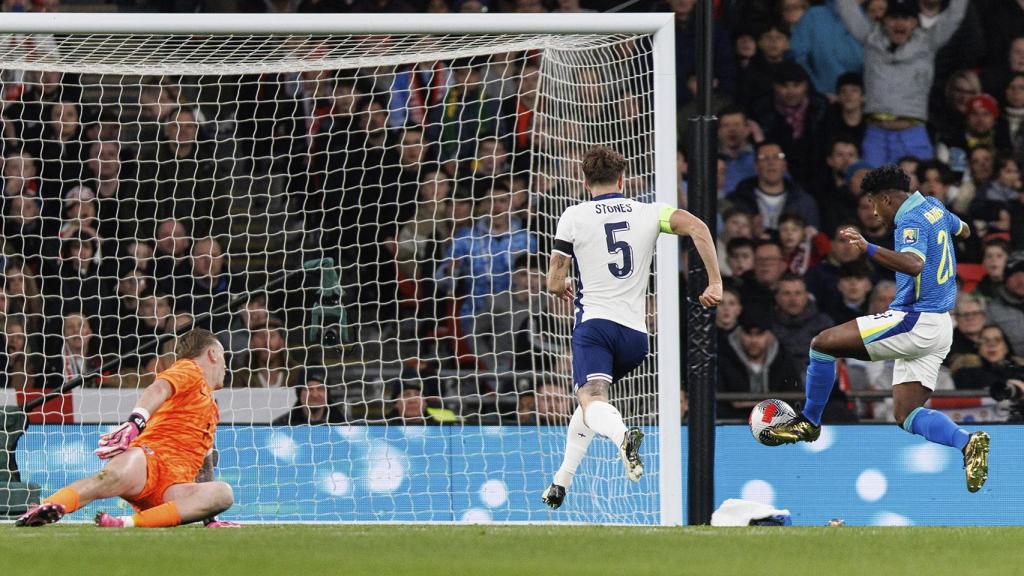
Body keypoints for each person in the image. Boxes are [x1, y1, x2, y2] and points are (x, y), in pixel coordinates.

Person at [762, 165, 990, 493]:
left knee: (822, 344)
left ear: (886, 198)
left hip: (915, 320)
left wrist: (867, 247)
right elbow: (963, 230)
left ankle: (810, 421)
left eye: (873, 203)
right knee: (907, 413)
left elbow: (913, 264)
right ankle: (968, 443)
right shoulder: (933, 207)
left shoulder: (908, 221)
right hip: (941, 326)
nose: (873, 211)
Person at [541, 146, 722, 509]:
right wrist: (715, 282)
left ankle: (624, 436)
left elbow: (554, 280)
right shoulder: (651, 212)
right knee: (590, 404)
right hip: (636, 338)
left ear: (584, 179)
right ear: (622, 179)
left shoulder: (573, 215)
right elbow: (698, 227)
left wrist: (560, 285)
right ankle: (561, 482)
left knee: (592, 400)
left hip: (595, 327)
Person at [16, 328, 234, 528]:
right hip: (148, 461)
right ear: (213, 354)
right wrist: (134, 423)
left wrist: (210, 518)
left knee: (223, 494)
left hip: (174, 489)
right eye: (223, 355)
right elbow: (158, 388)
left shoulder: (211, 408)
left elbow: (205, 467)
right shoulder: (190, 368)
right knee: (108, 478)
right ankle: (47, 507)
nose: (226, 364)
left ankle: (126, 522)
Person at [273, 368, 338, 425]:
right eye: (309, 389)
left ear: (327, 393)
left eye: (320, 389)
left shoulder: (343, 425)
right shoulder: (280, 425)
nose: (315, 395)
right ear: (299, 393)